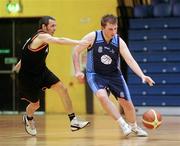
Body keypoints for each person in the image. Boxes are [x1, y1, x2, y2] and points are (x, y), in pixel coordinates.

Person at [73, 14, 155, 137]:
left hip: (114, 75)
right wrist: (78, 70)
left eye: (115, 28)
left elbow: (130, 60)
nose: (113, 32)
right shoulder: (92, 37)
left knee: (127, 104)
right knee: (102, 97)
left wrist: (142, 75)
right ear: (102, 27)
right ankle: (123, 124)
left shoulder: (119, 41)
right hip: (95, 74)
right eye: (110, 29)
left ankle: (134, 127)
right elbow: (76, 51)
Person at [13, 16, 90, 136]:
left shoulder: (37, 39)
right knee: (35, 104)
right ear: (44, 27)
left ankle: (73, 121)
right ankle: (28, 118)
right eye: (52, 26)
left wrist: (19, 63)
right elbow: (60, 40)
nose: (55, 29)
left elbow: (26, 54)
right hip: (28, 78)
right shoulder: (42, 36)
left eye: (55, 26)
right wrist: (79, 42)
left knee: (62, 89)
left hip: (42, 71)